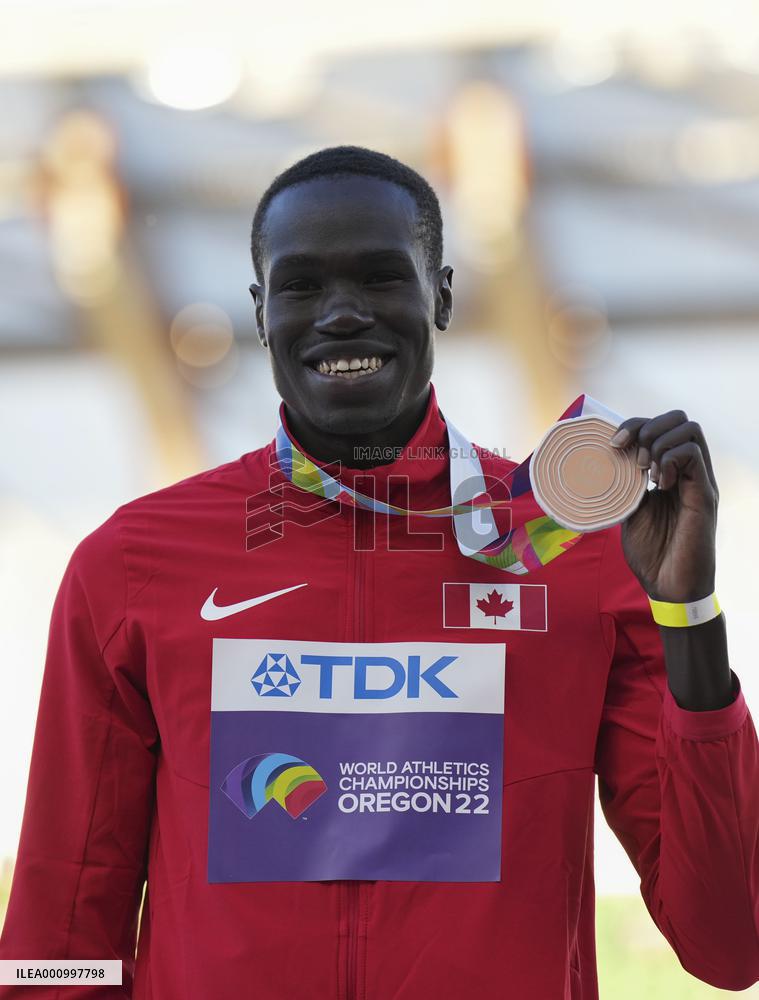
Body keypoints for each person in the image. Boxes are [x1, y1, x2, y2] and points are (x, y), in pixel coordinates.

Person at [1, 144, 758, 999]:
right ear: (259, 312)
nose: (341, 314)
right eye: (301, 286)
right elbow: (56, 937)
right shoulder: (134, 564)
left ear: (438, 293)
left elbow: (729, 943)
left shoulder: (575, 556)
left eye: (378, 277)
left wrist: (688, 617)